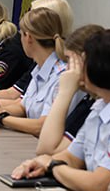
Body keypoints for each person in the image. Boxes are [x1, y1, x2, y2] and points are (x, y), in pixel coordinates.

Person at [9, 29, 110, 191]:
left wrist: (52, 166)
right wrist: (42, 164)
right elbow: (71, 157)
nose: (70, 70)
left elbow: (98, 185)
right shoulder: (99, 108)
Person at [0, 7, 70, 135]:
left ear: (29, 38)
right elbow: (23, 106)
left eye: (21, 35)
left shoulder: (62, 76)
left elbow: (42, 126)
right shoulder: (39, 68)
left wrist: (1, 117)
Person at [34, 24, 104, 155]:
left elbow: (46, 149)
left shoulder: (98, 103)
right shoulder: (90, 100)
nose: (67, 69)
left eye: (70, 60)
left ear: (86, 60)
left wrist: (64, 93)